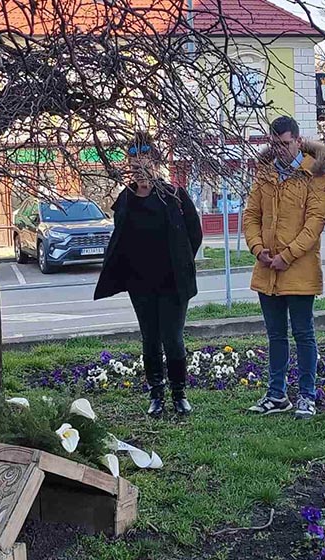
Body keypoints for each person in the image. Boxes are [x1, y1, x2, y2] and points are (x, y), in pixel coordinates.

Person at [94, 133, 202, 417]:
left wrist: (180, 261)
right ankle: (156, 394)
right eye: (134, 167)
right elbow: (120, 238)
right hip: (140, 284)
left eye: (145, 166)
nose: (140, 172)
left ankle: (179, 394)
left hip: (172, 283)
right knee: (149, 340)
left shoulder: (174, 196)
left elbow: (195, 234)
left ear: (156, 165)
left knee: (173, 340)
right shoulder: (126, 200)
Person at [243, 116, 325, 420]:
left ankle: (307, 395)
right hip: (267, 270)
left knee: (304, 333)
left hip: (299, 270)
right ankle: (277, 394)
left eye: (285, 143)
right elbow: (251, 216)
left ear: (298, 140)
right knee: (275, 335)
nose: (280, 149)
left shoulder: (315, 176)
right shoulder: (265, 174)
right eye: (275, 144)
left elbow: (314, 224)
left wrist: (287, 255)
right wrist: (258, 249)